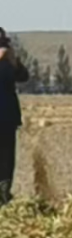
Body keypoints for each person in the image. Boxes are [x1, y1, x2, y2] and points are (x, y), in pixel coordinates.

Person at [0, 30, 29, 204]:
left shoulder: (9, 62)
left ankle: (4, 193)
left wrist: (15, 62)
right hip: (7, 116)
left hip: (7, 118)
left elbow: (23, 77)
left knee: (6, 158)